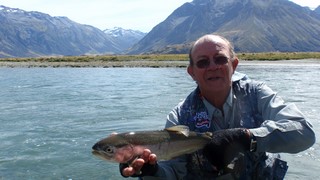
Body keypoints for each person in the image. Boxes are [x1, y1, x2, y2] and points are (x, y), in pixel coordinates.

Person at [119, 34, 316, 179]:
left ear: (234, 65)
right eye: (203, 62)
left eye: (220, 59)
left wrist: (247, 137)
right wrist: (152, 171)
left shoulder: (257, 94)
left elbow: (304, 133)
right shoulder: (179, 117)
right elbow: (173, 172)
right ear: (192, 73)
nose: (213, 66)